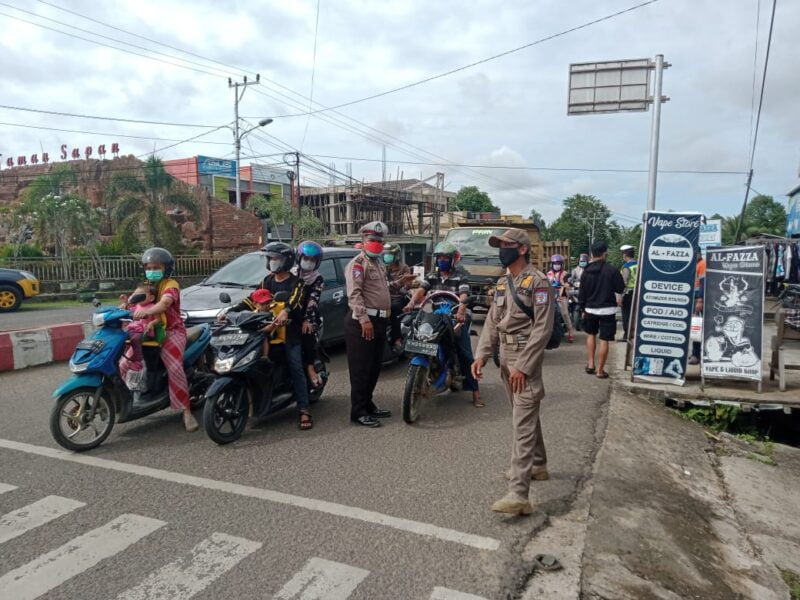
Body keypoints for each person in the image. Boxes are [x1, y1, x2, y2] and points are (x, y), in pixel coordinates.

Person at [471, 228, 555, 515]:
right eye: (499, 245)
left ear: (522, 249)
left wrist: (524, 365)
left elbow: (543, 329)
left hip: (523, 357)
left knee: (522, 423)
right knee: (525, 415)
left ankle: (519, 494)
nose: (501, 249)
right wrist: (482, 355)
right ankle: (538, 465)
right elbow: (492, 321)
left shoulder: (538, 282)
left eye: (507, 245)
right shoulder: (503, 282)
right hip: (505, 358)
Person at [229, 242, 312, 430]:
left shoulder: (297, 283)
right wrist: (230, 312)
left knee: (296, 368)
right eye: (270, 258)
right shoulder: (267, 281)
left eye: (276, 258)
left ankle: (304, 409)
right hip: (264, 331)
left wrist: (286, 312)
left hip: (289, 333)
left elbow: (295, 300)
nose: (273, 261)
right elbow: (252, 300)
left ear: (287, 261)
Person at [344, 221, 416, 427]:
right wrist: (363, 319)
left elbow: (384, 289)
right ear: (363, 240)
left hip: (380, 320)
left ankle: (368, 404)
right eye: (372, 240)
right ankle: (358, 412)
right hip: (362, 322)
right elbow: (355, 294)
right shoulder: (358, 264)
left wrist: (402, 282)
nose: (376, 243)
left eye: (379, 240)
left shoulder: (378, 264)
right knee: (361, 369)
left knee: (374, 367)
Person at [406, 241, 483, 407]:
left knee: (465, 353)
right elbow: (421, 290)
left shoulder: (460, 276)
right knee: (417, 334)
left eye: (445, 258)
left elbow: (464, 294)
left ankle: (475, 392)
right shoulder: (432, 276)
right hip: (436, 316)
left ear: (453, 260)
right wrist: (412, 303)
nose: (442, 260)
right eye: (439, 257)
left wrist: (461, 310)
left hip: (455, 317)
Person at [129, 247, 198, 432]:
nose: (151, 270)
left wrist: (148, 312)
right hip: (145, 329)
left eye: (156, 267)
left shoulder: (171, 285)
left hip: (171, 331)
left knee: (174, 368)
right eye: (148, 267)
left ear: (166, 268)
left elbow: (165, 303)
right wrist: (123, 305)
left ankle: (186, 411)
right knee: (125, 361)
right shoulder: (145, 285)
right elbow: (133, 300)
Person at [579, 241, 625, 379]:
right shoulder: (612, 270)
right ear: (605, 253)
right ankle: (600, 371)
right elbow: (620, 288)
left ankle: (590, 364)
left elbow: (582, 293)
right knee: (604, 339)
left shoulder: (586, 271)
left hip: (590, 309)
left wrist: (582, 308)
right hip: (608, 310)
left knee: (591, 335)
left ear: (592, 254)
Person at [295, 240, 325, 387]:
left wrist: (307, 320)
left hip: (309, 317)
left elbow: (313, 301)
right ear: (299, 258)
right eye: (306, 258)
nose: (309, 262)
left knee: (307, 335)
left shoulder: (317, 278)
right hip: (292, 314)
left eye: (312, 260)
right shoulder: (291, 273)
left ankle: (310, 367)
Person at [383, 243, 413, 351]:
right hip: (385, 296)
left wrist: (405, 284)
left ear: (396, 255)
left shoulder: (404, 268)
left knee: (394, 308)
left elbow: (407, 285)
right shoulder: (383, 268)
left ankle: (397, 339)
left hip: (400, 297)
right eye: (385, 254)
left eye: (389, 254)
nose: (387, 256)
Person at [546, 254, 575, 343]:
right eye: (555, 263)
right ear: (552, 264)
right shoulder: (548, 274)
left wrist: (566, 284)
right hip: (551, 296)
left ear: (562, 264)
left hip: (562, 296)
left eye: (558, 263)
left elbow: (569, 284)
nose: (557, 265)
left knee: (565, 313)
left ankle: (570, 331)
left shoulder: (565, 274)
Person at [689, 248, 706, 365]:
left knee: (697, 327)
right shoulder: (696, 265)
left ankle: (696, 354)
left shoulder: (702, 264)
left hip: (699, 299)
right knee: (695, 327)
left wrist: (700, 299)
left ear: (699, 254)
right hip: (695, 298)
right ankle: (695, 353)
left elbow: (703, 283)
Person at [619, 245, 638, 342]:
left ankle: (627, 335)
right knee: (635, 314)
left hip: (628, 294)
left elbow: (624, 282)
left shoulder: (626, 267)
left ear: (625, 255)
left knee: (626, 315)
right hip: (637, 292)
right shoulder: (639, 264)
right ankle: (635, 334)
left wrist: (620, 296)